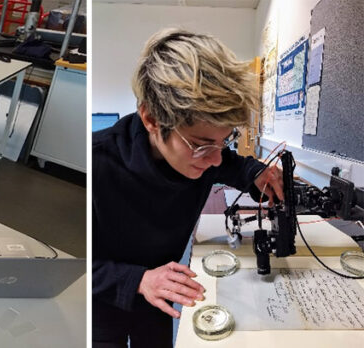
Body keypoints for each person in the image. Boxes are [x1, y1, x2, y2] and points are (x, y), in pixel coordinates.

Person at [92, 28, 285, 348]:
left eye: (224, 141)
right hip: (105, 295)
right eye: (201, 146)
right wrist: (138, 280)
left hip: (165, 289)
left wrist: (258, 173)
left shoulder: (207, 152)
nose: (213, 159)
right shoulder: (99, 163)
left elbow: (232, 164)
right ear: (152, 119)